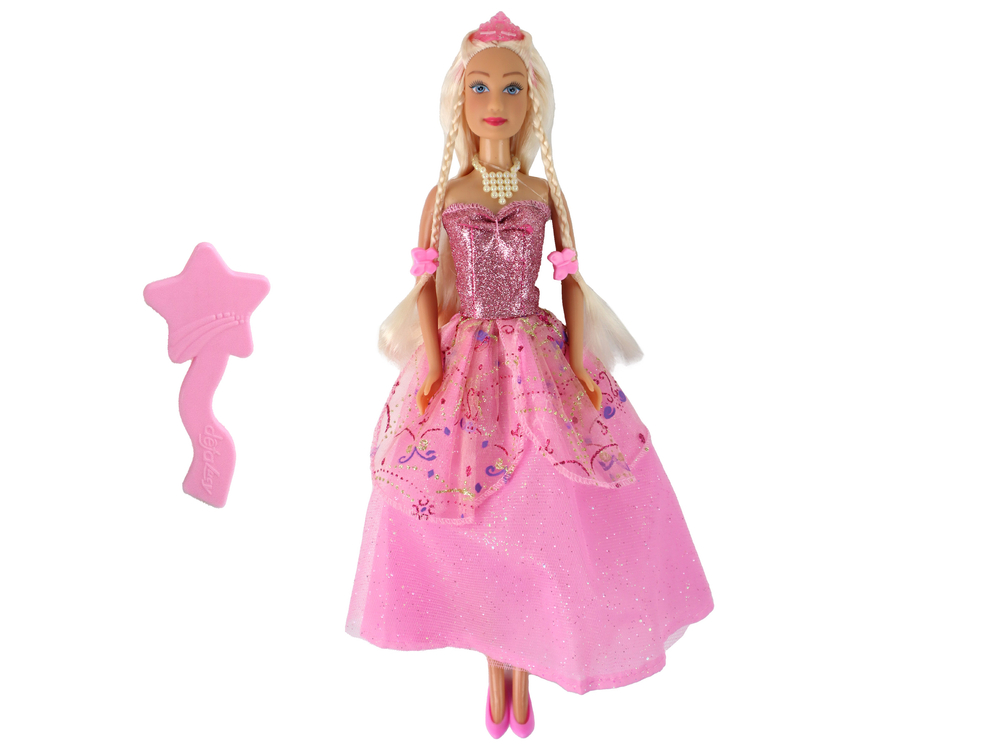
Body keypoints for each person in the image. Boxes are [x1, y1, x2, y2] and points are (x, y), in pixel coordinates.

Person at [346, 12, 713, 739]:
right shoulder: (446, 196)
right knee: (472, 506)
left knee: (543, 506)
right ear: (459, 99)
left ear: (533, 99)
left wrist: (580, 360)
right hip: (465, 358)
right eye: (481, 86)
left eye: (512, 88)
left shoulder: (545, 193)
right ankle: (495, 657)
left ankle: (523, 653)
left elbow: (571, 276)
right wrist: (432, 362)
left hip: (535, 356)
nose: (496, 101)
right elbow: (423, 286)